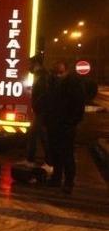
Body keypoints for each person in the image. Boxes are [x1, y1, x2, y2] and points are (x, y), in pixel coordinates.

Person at [45, 60, 85, 194]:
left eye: (60, 72)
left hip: (66, 125)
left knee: (67, 154)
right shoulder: (53, 83)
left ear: (67, 71)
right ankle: (56, 178)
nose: (57, 75)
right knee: (56, 152)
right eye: (56, 72)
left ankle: (68, 182)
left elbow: (78, 106)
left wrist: (71, 122)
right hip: (54, 123)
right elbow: (49, 102)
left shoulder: (73, 84)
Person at [25, 55, 50, 165]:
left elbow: (44, 94)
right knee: (39, 135)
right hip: (41, 110)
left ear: (36, 64)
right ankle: (49, 160)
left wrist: (36, 105)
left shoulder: (42, 76)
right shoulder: (41, 75)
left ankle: (33, 160)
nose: (28, 66)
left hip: (41, 111)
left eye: (30, 64)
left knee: (36, 134)